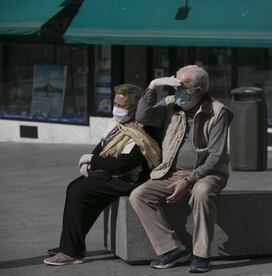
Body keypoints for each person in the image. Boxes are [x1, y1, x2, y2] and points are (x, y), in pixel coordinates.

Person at [129, 65, 233, 273]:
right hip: (171, 172)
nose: (176, 92)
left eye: (181, 87)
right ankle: (172, 249)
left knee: (201, 193)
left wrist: (188, 181)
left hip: (207, 173)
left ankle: (201, 256)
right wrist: (152, 87)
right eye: (174, 86)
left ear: (198, 90)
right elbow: (141, 117)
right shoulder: (170, 104)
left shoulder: (217, 111)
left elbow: (216, 156)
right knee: (139, 195)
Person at [43, 84, 161, 266]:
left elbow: (125, 163)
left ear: (135, 108)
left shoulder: (142, 131)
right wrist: (91, 164)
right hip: (113, 176)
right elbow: (100, 148)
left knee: (80, 191)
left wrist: (93, 161)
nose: (117, 109)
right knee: (75, 187)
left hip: (129, 181)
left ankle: (70, 252)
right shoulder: (117, 125)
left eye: (122, 106)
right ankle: (70, 245)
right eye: (115, 103)